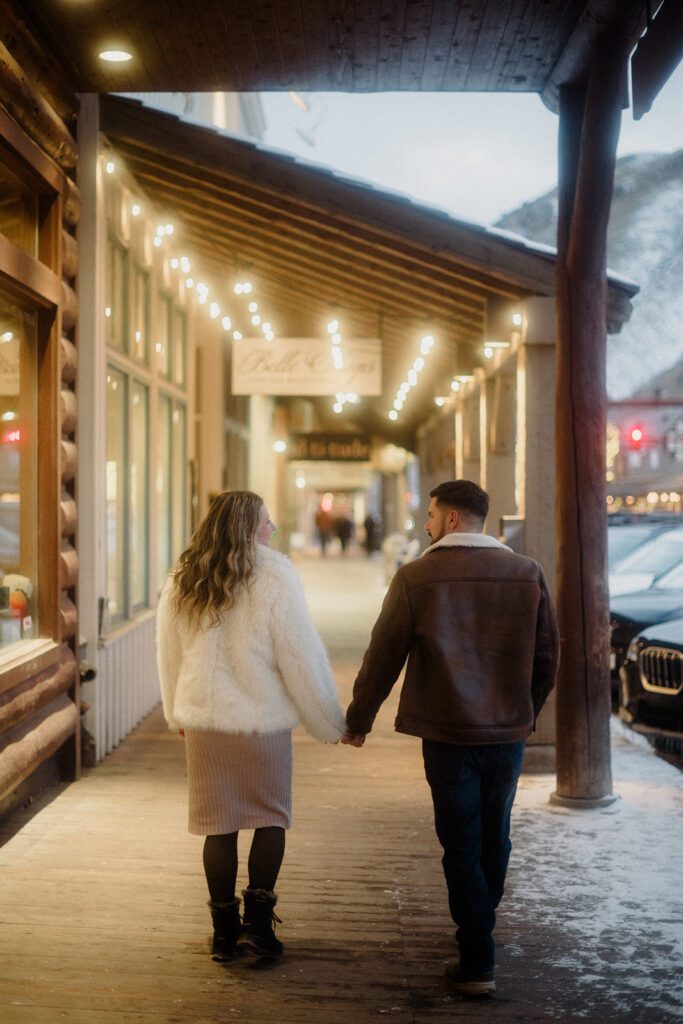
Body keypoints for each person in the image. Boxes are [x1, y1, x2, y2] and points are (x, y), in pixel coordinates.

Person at [343, 480, 559, 996]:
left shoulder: (418, 577)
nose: (426, 524)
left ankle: (477, 953)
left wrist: (359, 718)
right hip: (506, 732)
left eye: (432, 515)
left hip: (445, 732)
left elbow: (383, 655)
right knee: (495, 833)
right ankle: (481, 921)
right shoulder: (527, 573)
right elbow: (548, 657)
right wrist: (522, 712)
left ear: (454, 520)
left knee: (460, 840)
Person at [157, 490, 345, 962]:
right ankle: (257, 927)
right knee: (269, 816)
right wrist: (329, 720)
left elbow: (169, 652)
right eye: (266, 519)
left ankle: (222, 933)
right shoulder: (276, 576)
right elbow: (299, 657)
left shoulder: (184, 576)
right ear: (247, 527)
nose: (274, 528)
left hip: (205, 720)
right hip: (262, 722)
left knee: (216, 827)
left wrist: (175, 709)